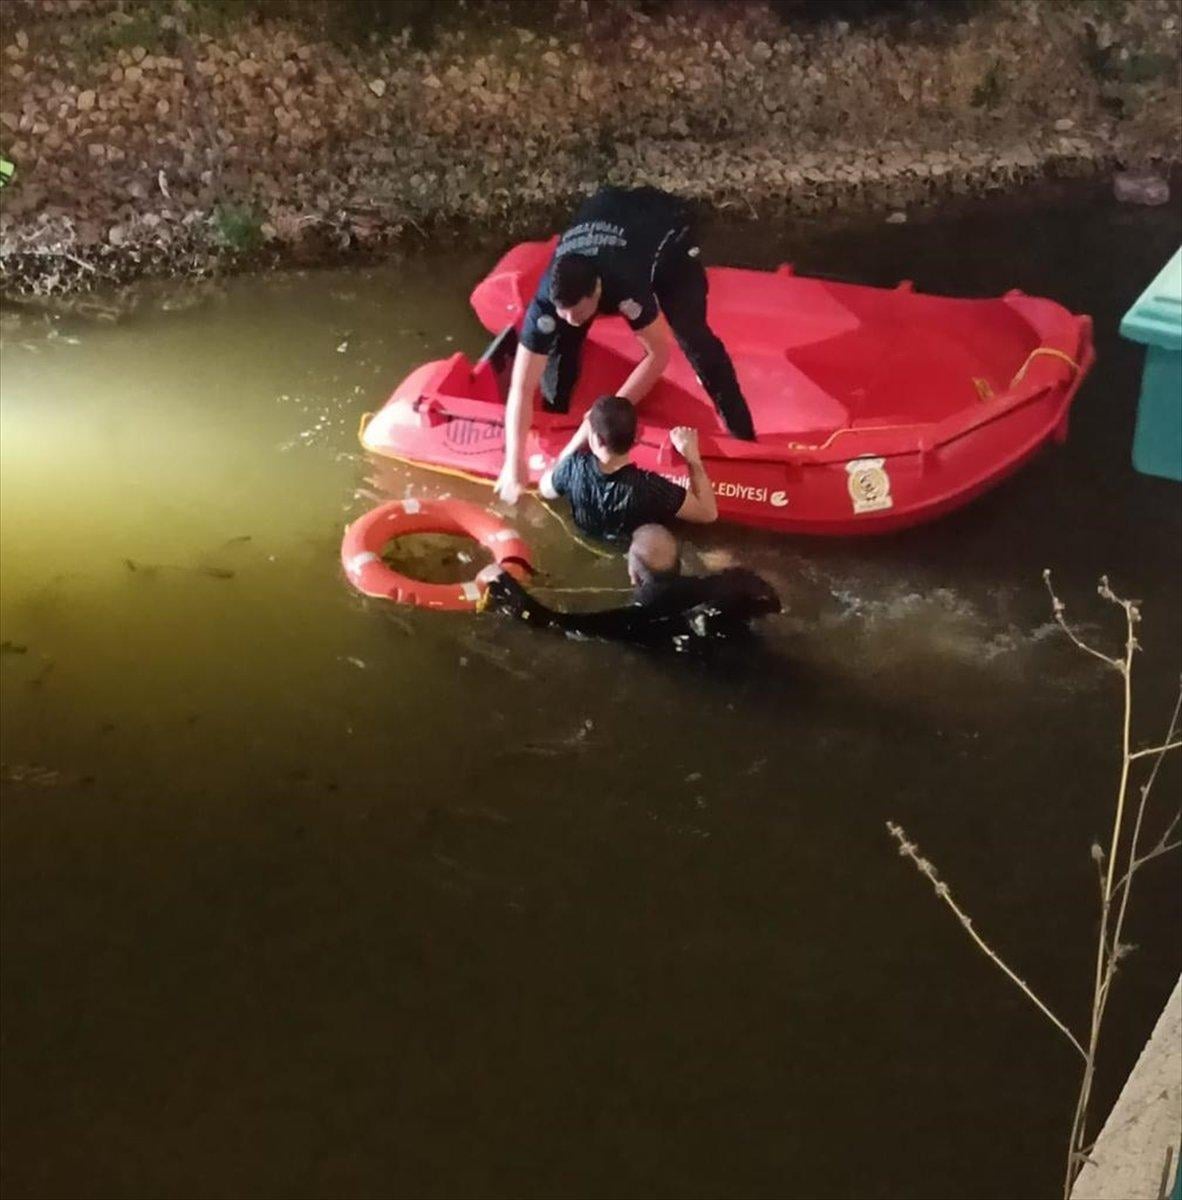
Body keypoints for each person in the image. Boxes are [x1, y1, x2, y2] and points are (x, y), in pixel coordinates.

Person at [494, 185, 757, 504]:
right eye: (564, 312)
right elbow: (521, 387)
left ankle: (744, 437)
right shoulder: (549, 296)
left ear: (597, 292)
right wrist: (514, 459)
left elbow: (658, 354)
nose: (571, 318)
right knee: (563, 342)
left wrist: (602, 417)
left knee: (693, 337)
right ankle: (557, 417)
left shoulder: (624, 284)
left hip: (667, 231)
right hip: (605, 211)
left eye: (579, 312)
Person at [479, 524, 780, 645]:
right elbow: (770, 596)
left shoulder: (637, 618)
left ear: (633, 574)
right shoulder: (729, 583)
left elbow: (556, 623)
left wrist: (503, 584)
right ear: (680, 563)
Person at [539, 394, 716, 543]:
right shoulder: (650, 488)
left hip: (588, 539)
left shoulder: (571, 468)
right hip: (635, 547)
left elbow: (545, 490)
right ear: (637, 437)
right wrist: (692, 457)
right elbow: (708, 513)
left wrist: (572, 446)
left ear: (595, 439)